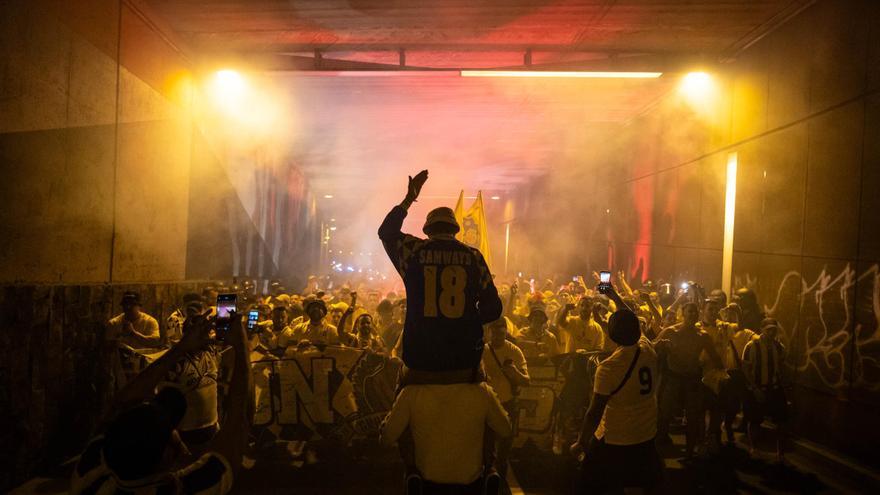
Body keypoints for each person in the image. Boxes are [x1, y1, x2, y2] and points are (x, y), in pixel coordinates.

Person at [71, 312, 251, 494]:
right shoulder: (189, 487)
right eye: (170, 431)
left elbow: (121, 403)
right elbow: (237, 428)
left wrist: (181, 348)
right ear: (167, 456)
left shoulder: (88, 473)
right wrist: (242, 345)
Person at [378, 169, 502, 373]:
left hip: (421, 356)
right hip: (464, 356)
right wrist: (468, 320)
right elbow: (494, 308)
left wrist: (409, 199)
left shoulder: (413, 250)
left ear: (427, 230)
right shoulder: (474, 256)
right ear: (455, 229)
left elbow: (386, 232)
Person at [570, 283, 662, 494]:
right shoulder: (647, 348)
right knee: (639, 483)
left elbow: (594, 412)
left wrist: (580, 442)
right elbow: (630, 320)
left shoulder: (609, 367)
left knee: (591, 482)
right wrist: (614, 296)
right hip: (646, 432)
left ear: (612, 335)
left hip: (615, 437)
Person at [380, 379, 511, 494]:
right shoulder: (482, 391)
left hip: (426, 485)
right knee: (489, 424)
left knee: (405, 428)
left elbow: (387, 438)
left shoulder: (411, 392)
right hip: (470, 485)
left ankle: (411, 471)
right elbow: (505, 429)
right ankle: (490, 469)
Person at [655, 301, 722, 457]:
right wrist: (661, 347)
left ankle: (691, 451)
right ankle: (659, 448)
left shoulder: (702, 336)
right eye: (689, 311)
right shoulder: (670, 332)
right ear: (683, 313)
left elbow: (716, 358)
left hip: (692, 379)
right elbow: (652, 347)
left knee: (693, 415)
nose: (692, 314)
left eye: (695, 312)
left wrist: (717, 373)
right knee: (664, 413)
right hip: (673, 378)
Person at [159, 320, 223, 452]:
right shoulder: (176, 364)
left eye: (208, 332)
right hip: (187, 437)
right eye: (203, 334)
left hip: (213, 431)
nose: (208, 337)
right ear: (189, 336)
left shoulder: (211, 354)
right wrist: (178, 444)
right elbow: (162, 409)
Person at [481, 317, 529, 478]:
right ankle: (488, 470)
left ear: (505, 332)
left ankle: (499, 474)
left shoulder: (514, 351)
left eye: (501, 332)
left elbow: (526, 380)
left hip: (507, 404)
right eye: (495, 332)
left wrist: (514, 373)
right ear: (489, 332)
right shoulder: (482, 351)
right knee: (486, 441)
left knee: (505, 442)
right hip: (486, 404)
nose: (497, 336)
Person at [742, 318, 789, 462]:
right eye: (768, 329)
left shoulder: (779, 347)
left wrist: (784, 388)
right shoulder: (751, 346)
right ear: (762, 329)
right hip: (758, 388)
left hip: (774, 388)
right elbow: (745, 368)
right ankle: (753, 448)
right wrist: (754, 389)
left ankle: (780, 453)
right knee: (755, 420)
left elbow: (780, 367)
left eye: (774, 330)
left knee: (782, 421)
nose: (771, 332)